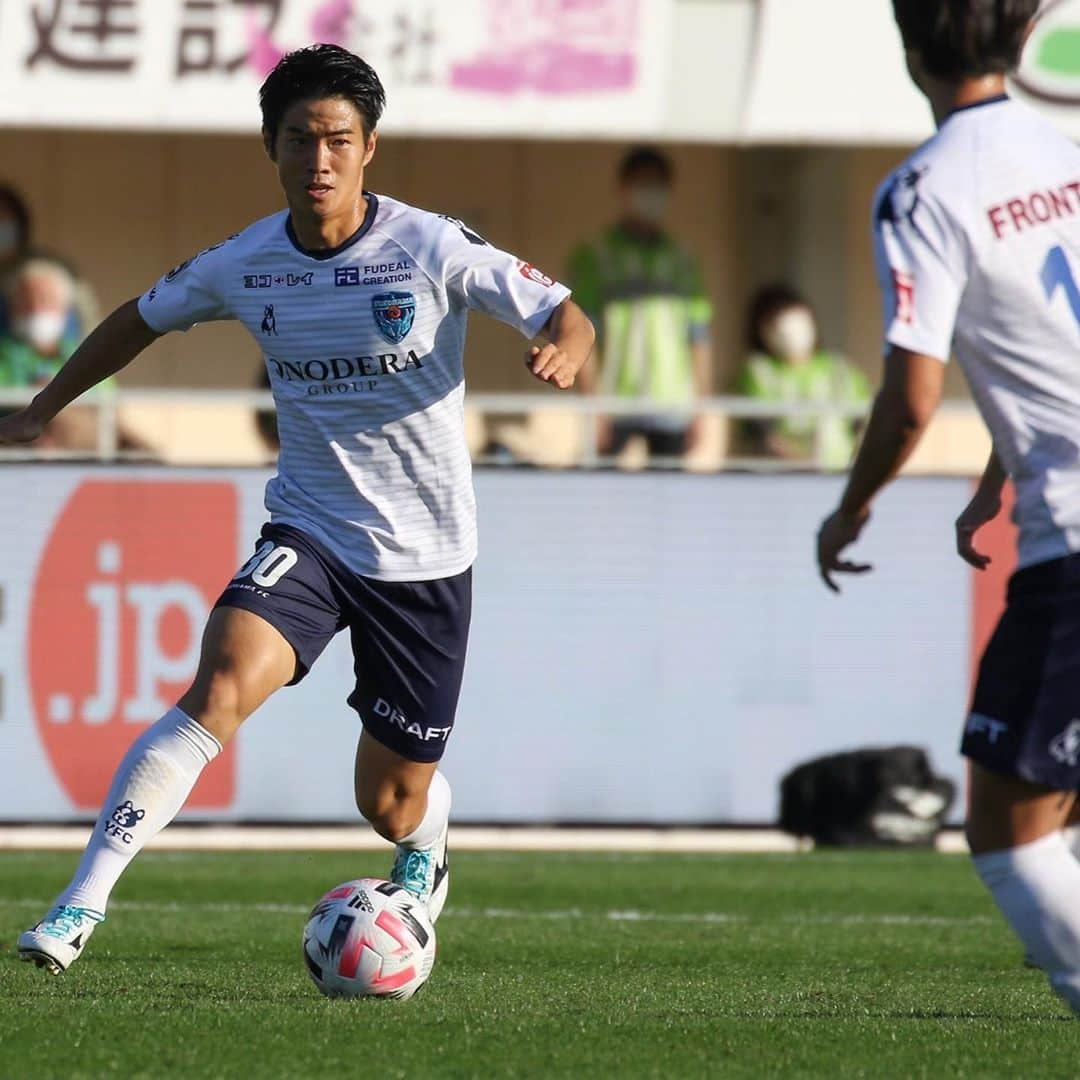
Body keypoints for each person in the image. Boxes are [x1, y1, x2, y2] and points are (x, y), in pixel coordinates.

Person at [9, 44, 594, 975]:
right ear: (270, 148)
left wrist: (564, 350)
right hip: (311, 532)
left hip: (426, 558)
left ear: (369, 149)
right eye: (298, 141)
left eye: (336, 141)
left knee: (390, 803)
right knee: (219, 684)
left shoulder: (428, 245)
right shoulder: (245, 262)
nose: (317, 161)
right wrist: (47, 404)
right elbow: (135, 318)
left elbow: (565, 312)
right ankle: (79, 907)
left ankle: (428, 844)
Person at [816, 0, 1080, 1013]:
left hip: (1071, 541)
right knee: (1047, 800)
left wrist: (850, 510)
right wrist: (996, 475)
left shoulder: (921, 190)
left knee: (1007, 836)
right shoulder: (1061, 152)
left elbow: (911, 396)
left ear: (908, 46)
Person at [569, 146, 712, 462]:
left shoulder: (683, 260)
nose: (650, 195)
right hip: (615, 401)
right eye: (642, 184)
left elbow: (699, 339)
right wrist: (593, 407)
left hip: (672, 404)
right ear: (623, 189)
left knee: (669, 503)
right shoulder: (596, 257)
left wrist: (701, 407)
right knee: (605, 502)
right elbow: (581, 333)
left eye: (657, 186)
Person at [737, 284, 869, 470]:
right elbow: (763, 434)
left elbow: (865, 426)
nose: (791, 331)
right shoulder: (760, 372)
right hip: (785, 480)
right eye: (778, 322)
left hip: (841, 475)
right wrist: (802, 462)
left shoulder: (840, 369)